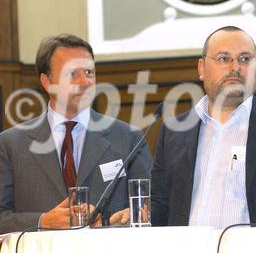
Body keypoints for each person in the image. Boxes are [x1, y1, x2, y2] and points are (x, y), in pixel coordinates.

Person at [151, 26, 256, 228]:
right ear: (201, 69)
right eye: (223, 58)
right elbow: (161, 205)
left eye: (245, 59)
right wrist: (139, 216)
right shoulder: (174, 131)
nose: (235, 67)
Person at [0, 34, 152, 234]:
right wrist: (43, 220)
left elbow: (154, 204)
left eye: (89, 72)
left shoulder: (129, 139)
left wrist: (130, 217)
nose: (84, 81)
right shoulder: (10, 145)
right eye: (72, 74)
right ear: (46, 82)